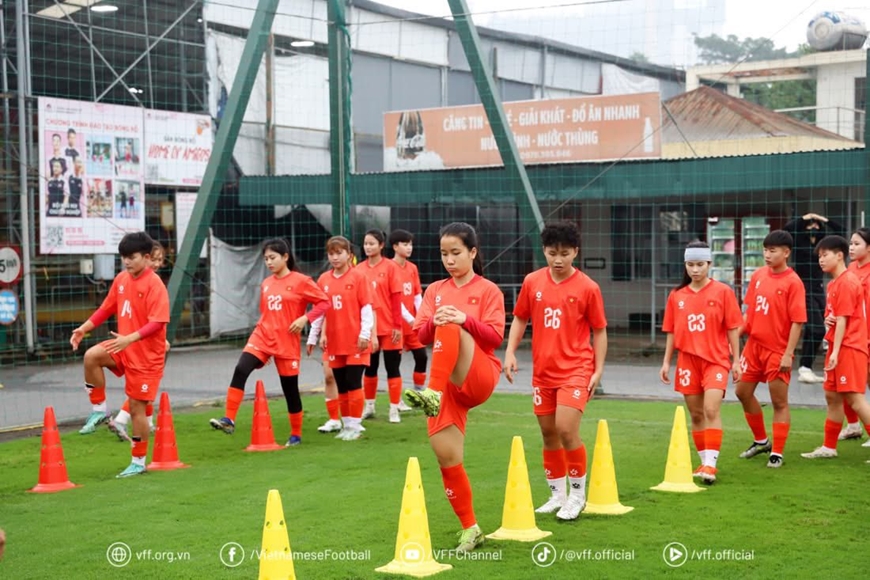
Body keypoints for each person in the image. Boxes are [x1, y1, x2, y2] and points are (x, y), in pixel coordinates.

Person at [402, 222, 505, 552]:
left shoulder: (489, 290)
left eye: (456, 252)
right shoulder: (434, 290)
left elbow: (494, 338)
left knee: (450, 321)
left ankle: (430, 393)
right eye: (444, 253)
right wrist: (434, 321)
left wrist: (463, 319)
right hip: (447, 382)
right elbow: (419, 335)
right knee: (446, 456)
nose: (449, 259)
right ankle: (471, 529)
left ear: (473, 252)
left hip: (478, 375)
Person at [503, 222, 607, 520]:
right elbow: (520, 318)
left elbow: (599, 330)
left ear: (575, 252)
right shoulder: (532, 282)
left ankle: (577, 495)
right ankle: (557, 495)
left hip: (576, 369)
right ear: (544, 251)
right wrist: (509, 351)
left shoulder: (588, 287)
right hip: (543, 372)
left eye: (564, 253)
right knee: (548, 433)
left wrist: (598, 369)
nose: (558, 259)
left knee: (565, 429)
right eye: (552, 253)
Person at [210, 239, 329, 446]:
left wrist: (305, 318)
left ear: (285, 257)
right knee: (241, 369)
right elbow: (266, 312)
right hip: (262, 336)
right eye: (266, 259)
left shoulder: (302, 281)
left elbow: (324, 302)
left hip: (286, 341)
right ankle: (229, 419)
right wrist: (264, 351)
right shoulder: (266, 284)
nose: (269, 262)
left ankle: (296, 435)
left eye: (272, 258)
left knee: (290, 390)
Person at [70, 232, 169, 477]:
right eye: (123, 257)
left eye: (131, 257)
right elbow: (106, 308)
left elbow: (158, 322)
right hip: (123, 348)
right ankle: (100, 411)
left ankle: (138, 462)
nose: (126, 261)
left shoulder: (155, 284)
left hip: (146, 359)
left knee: (137, 409)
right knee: (91, 356)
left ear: (147, 257)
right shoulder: (122, 279)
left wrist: (129, 338)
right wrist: (83, 328)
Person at [660, 241, 742, 484]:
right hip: (687, 362)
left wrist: (736, 361)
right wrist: (666, 362)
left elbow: (733, 328)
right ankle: (703, 461)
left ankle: (711, 465)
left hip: (716, 360)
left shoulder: (723, 292)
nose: (695, 269)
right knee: (696, 414)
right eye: (690, 264)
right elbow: (671, 331)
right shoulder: (677, 296)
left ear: (709, 264)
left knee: (711, 410)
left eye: (700, 264)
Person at [735, 230, 806, 468]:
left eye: (772, 250)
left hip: (777, 351)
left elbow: (797, 322)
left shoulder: (793, 282)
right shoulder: (758, 275)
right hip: (753, 347)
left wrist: (788, 354)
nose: (767, 254)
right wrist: (735, 336)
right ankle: (761, 441)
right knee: (742, 392)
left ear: (786, 253)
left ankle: (777, 452)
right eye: (765, 250)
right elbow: (749, 313)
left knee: (779, 402)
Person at [801, 235, 870, 459]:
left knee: (855, 399)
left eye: (825, 255)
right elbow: (835, 317)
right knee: (832, 396)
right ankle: (829, 447)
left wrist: (836, 352)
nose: (821, 260)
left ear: (839, 256)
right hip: (838, 346)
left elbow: (843, 320)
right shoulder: (833, 283)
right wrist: (828, 321)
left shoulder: (848, 282)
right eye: (819, 256)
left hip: (850, 347)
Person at [307, 236, 373, 441]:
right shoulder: (324, 280)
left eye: (339, 253)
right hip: (335, 342)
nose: (335, 257)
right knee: (341, 385)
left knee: (353, 382)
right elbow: (320, 311)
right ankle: (347, 424)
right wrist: (313, 336)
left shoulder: (358, 277)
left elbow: (367, 308)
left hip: (355, 341)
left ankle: (355, 425)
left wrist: (365, 333)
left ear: (349, 255)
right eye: (331, 253)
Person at [107, 243, 168, 442]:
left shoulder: (153, 282)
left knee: (144, 391)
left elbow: (152, 318)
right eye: (154, 259)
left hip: (141, 343)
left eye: (160, 260)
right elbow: (137, 316)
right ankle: (120, 420)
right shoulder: (132, 281)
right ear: (146, 257)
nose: (157, 263)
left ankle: (143, 422)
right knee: (141, 392)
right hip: (135, 347)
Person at [784, 213, 844, 383]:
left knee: (819, 327)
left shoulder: (823, 245)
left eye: (816, 225)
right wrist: (805, 217)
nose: (814, 227)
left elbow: (841, 231)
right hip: (803, 288)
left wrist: (824, 219)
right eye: (810, 224)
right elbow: (787, 230)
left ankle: (806, 368)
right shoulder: (798, 241)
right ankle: (804, 366)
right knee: (816, 328)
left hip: (818, 288)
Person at [358, 229, 405, 423]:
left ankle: (394, 409)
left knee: (392, 368)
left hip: (389, 326)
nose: (368, 247)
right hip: (370, 328)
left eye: (371, 243)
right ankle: (369, 406)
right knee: (370, 368)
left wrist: (397, 326)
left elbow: (396, 298)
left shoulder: (391, 267)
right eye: (365, 243)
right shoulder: (359, 269)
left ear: (381, 245)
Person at [838, 227, 870, 444]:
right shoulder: (850, 269)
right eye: (850, 243)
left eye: (857, 244)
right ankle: (852, 426)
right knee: (845, 385)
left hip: (864, 336)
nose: (851, 247)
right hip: (852, 336)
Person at [391, 229, 428, 394]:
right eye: (405, 244)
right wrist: (409, 318)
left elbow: (417, 295)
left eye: (410, 244)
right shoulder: (389, 268)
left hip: (413, 323)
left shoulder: (412, 268)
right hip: (397, 324)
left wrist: (420, 316)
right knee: (394, 362)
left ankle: (418, 391)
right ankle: (395, 398)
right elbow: (394, 299)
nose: (409, 248)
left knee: (422, 356)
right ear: (395, 246)